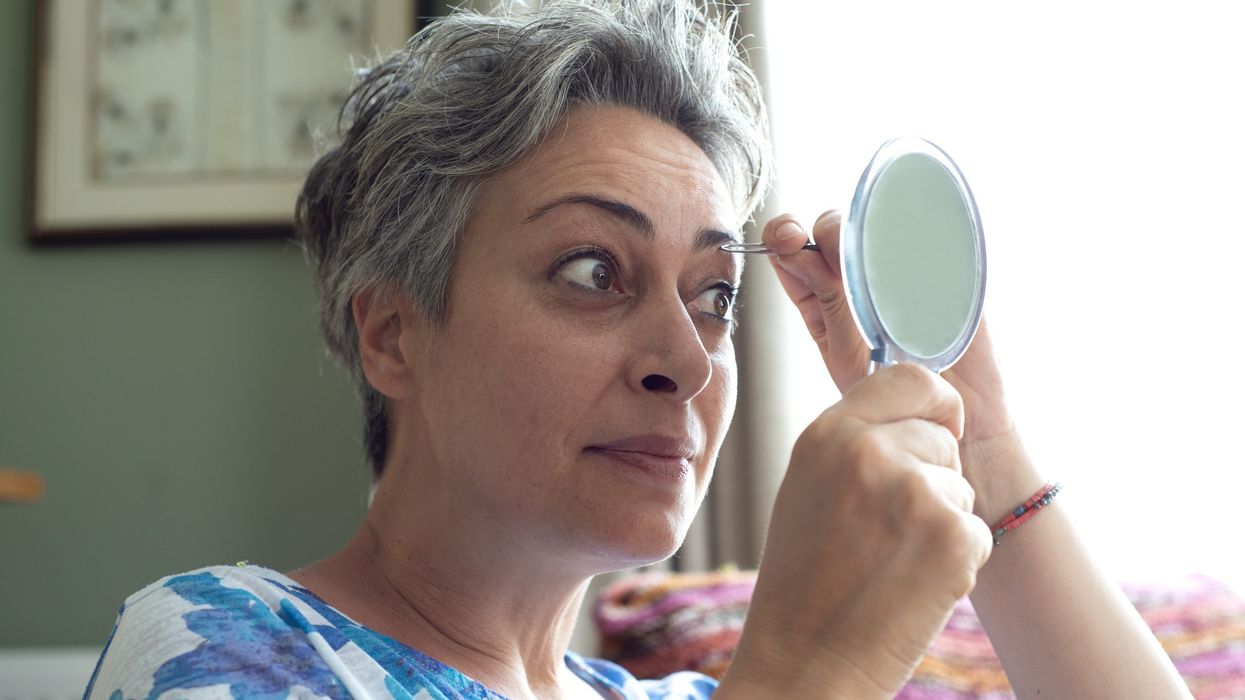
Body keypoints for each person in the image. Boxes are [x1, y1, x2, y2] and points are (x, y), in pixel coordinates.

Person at [86, 1, 1192, 698]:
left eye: (714, 295)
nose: (689, 358)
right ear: (394, 333)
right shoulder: (219, 642)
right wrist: (811, 676)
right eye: (591, 271)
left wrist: (982, 442)